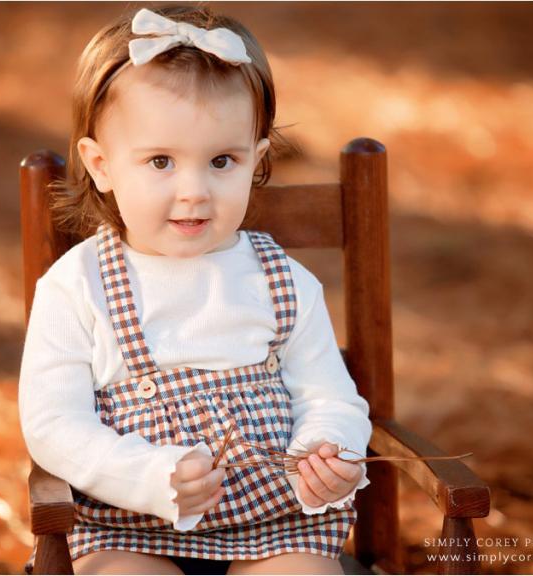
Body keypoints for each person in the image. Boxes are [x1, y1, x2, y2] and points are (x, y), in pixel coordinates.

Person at [19, 4, 372, 574]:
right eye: (161, 161)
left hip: (275, 528)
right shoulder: (76, 286)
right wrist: (146, 476)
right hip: (125, 528)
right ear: (101, 165)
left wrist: (329, 449)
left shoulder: (282, 282)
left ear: (257, 162)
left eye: (221, 161)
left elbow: (329, 395)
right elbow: (53, 424)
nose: (194, 191)